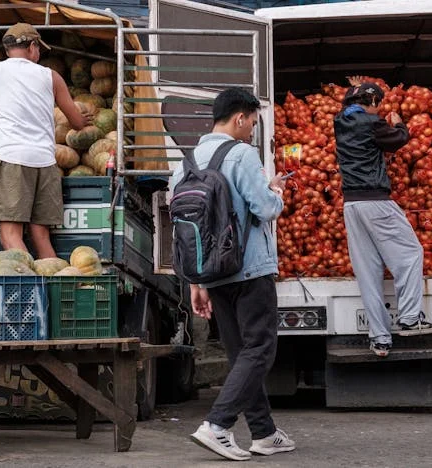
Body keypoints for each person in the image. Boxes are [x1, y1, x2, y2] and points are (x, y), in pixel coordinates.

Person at [170, 88, 295, 461]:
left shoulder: (186, 162)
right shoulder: (242, 154)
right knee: (259, 349)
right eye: (253, 122)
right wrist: (276, 191)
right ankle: (218, 425)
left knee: (243, 353)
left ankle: (264, 433)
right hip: (249, 267)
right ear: (239, 118)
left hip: (212, 271)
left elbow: (183, 224)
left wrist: (197, 282)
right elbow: (265, 208)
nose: (252, 130)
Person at [334, 80, 432, 358]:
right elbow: (398, 141)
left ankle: (380, 338)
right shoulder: (371, 123)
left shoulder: (340, 121)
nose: (378, 109)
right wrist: (398, 123)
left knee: (368, 272)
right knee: (410, 253)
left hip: (352, 205)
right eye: (377, 104)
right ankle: (409, 318)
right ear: (371, 101)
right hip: (375, 201)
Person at [0, 23, 90, 259]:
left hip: (12, 160)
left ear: (8, 49)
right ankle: (52, 289)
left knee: (9, 236)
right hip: (46, 163)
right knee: (41, 236)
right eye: (39, 49)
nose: (39, 54)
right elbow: (78, 123)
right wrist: (85, 118)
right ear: (32, 46)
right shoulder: (52, 76)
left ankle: (33, 288)